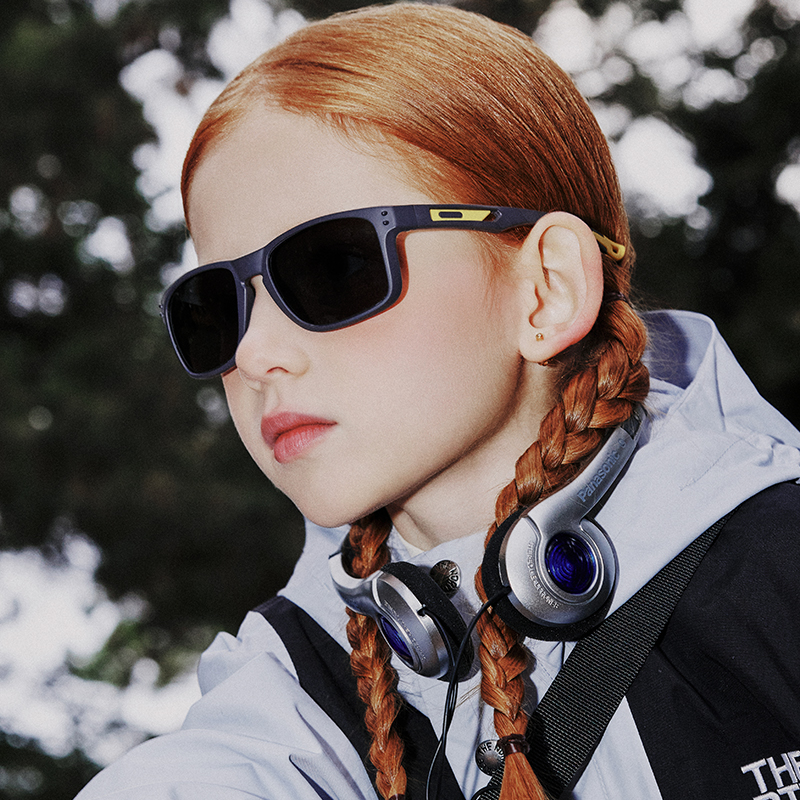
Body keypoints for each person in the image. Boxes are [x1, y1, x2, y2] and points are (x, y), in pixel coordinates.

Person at [75, 4, 800, 800]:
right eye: (215, 308)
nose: (253, 355)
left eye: (332, 269)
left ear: (546, 290)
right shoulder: (298, 689)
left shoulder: (777, 572)